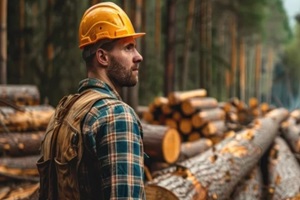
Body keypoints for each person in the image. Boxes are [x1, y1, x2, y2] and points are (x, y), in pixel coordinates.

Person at [37, 2, 146, 199]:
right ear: (102, 57)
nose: (139, 57)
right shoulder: (116, 116)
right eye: (128, 48)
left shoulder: (63, 113)